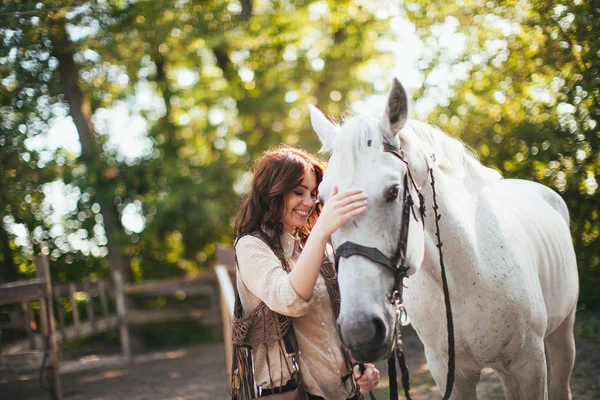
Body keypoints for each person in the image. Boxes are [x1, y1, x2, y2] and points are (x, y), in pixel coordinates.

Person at [232, 145, 380, 400]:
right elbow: (289, 300)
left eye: (313, 193)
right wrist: (322, 231)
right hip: (290, 393)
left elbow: (336, 314)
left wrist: (360, 364)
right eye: (299, 192)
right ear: (272, 191)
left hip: (342, 391)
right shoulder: (251, 247)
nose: (310, 202)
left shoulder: (316, 248)